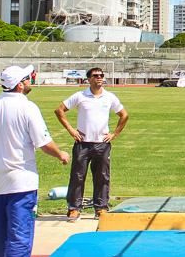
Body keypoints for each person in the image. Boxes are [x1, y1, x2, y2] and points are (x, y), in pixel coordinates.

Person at [0, 65, 69, 257]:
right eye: (28, 79)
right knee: (20, 235)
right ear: (20, 84)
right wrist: (61, 154)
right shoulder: (28, 108)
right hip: (22, 182)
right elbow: (44, 143)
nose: (30, 81)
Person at [54, 67, 129, 222]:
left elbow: (124, 115)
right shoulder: (80, 96)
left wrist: (114, 134)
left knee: (102, 176)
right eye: (95, 76)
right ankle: (74, 209)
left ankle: (101, 207)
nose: (99, 78)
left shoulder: (109, 97)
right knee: (77, 176)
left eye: (101, 75)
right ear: (88, 79)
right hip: (82, 143)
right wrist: (71, 130)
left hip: (102, 143)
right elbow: (59, 110)